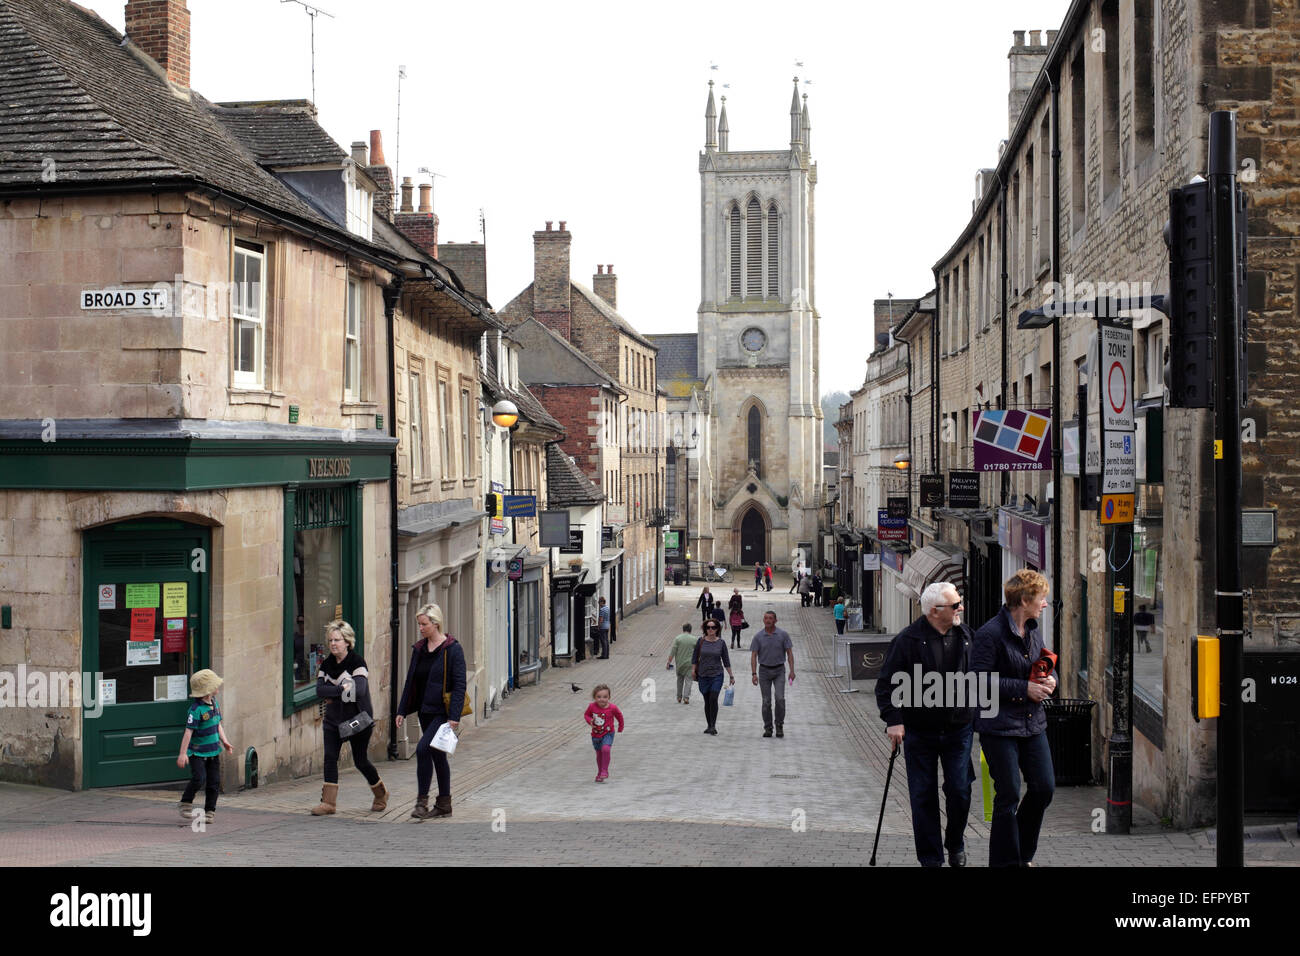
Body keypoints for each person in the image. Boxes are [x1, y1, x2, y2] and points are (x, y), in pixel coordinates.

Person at [875, 582, 976, 867]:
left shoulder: (967, 636)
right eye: (956, 605)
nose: (961, 608)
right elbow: (886, 686)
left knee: (960, 789)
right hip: (920, 731)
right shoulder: (907, 641)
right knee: (922, 795)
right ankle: (931, 860)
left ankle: (954, 840)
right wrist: (893, 721)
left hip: (958, 728)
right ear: (935, 611)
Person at [972, 569, 1057, 867]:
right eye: (1041, 598)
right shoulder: (989, 634)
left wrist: (1050, 680)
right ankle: (1006, 863)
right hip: (999, 727)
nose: (1045, 604)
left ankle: (1021, 854)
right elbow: (978, 682)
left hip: (1033, 724)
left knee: (1044, 787)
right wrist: (1025, 688)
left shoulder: (1032, 629)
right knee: (1008, 794)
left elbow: (1044, 662)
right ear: (1023, 600)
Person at [396, 603, 466, 820]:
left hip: (442, 713)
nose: (421, 628)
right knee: (437, 756)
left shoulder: (452, 649)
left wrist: (454, 716)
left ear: (436, 624)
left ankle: (421, 803)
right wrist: (401, 710)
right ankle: (444, 804)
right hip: (425, 711)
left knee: (423, 749)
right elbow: (410, 681)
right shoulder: (419, 649)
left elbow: (459, 684)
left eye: (424, 624)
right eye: (419, 624)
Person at [312, 621, 386, 816]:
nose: (333, 644)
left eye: (337, 640)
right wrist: (341, 689)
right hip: (333, 720)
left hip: (357, 720)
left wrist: (333, 693)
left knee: (360, 761)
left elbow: (359, 691)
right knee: (330, 758)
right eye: (330, 640)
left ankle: (380, 794)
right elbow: (319, 690)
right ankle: (328, 803)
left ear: (347, 641)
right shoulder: (326, 665)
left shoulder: (357, 662)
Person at [176, 669, 234, 824]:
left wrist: (225, 741)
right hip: (197, 753)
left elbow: (218, 725)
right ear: (208, 690)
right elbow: (188, 732)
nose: (218, 687)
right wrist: (183, 754)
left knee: (214, 782)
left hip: (214, 752)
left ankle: (210, 811)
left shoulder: (214, 704)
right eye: (215, 685)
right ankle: (185, 803)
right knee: (199, 778)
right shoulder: (195, 710)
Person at [750, 610, 796, 738]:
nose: (768, 620)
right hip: (764, 671)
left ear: (775, 620)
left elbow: (789, 653)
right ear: (763, 620)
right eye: (766, 618)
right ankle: (768, 727)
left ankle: (779, 725)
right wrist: (754, 674)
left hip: (779, 670)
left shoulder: (783, 635)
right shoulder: (758, 636)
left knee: (780, 698)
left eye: (770, 618)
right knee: (766, 701)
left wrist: (792, 670)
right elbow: (754, 655)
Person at [691, 618, 735, 735]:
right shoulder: (700, 641)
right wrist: (693, 670)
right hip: (703, 675)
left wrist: (731, 675)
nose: (711, 629)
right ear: (705, 629)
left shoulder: (721, 643)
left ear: (717, 629)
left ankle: (713, 726)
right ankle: (709, 725)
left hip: (717, 675)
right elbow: (695, 657)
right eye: (708, 627)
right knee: (707, 700)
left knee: (713, 698)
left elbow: (726, 660)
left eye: (713, 627)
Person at [584, 684, 625, 782]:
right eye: (599, 697)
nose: (602, 699)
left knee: (605, 749)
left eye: (605, 697)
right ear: (595, 697)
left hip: (608, 733)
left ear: (609, 697)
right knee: (599, 754)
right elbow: (586, 715)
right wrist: (590, 721)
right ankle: (599, 773)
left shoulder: (613, 708)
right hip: (595, 735)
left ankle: (605, 771)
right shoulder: (591, 706)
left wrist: (620, 727)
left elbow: (619, 716)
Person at [667, 623, 697, 703]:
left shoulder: (678, 638)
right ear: (690, 630)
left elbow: (673, 651)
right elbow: (698, 652)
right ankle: (686, 697)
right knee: (689, 680)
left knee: (679, 680)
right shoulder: (694, 639)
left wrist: (668, 662)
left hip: (679, 663)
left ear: (683, 629)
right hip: (690, 664)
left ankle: (679, 697)